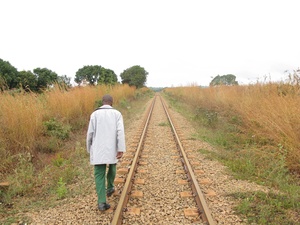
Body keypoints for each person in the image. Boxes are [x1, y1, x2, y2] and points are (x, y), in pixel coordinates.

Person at [86, 94, 126, 211]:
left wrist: (89, 149)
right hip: (112, 148)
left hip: (98, 149)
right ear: (111, 103)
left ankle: (102, 203)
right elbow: (120, 132)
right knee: (113, 167)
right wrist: (121, 148)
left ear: (102, 102)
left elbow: (90, 134)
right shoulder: (117, 114)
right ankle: (110, 187)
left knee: (99, 174)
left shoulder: (94, 114)